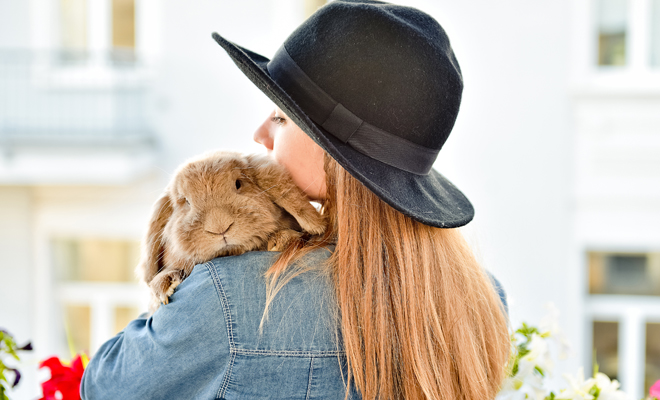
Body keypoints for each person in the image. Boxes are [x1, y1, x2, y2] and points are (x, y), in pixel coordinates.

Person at [80, 1, 511, 399]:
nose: (260, 135)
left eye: (281, 117)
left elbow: (104, 386)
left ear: (333, 151)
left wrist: (174, 280)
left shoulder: (229, 298)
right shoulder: (483, 296)